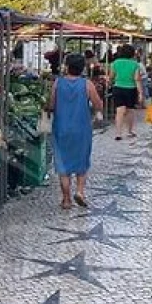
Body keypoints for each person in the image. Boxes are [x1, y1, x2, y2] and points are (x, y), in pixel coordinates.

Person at [49, 53, 103, 209]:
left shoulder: (58, 83)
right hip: (82, 128)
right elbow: (98, 103)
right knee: (81, 162)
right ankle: (80, 192)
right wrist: (96, 111)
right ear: (83, 67)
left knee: (63, 165)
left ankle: (66, 199)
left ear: (66, 67)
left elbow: (51, 104)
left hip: (61, 128)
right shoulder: (87, 84)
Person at [108, 44, 145, 141]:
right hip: (131, 89)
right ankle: (129, 131)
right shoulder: (135, 64)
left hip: (118, 88)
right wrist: (141, 93)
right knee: (130, 110)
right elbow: (137, 79)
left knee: (119, 111)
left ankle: (118, 133)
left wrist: (109, 82)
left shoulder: (115, 63)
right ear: (132, 54)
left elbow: (111, 76)